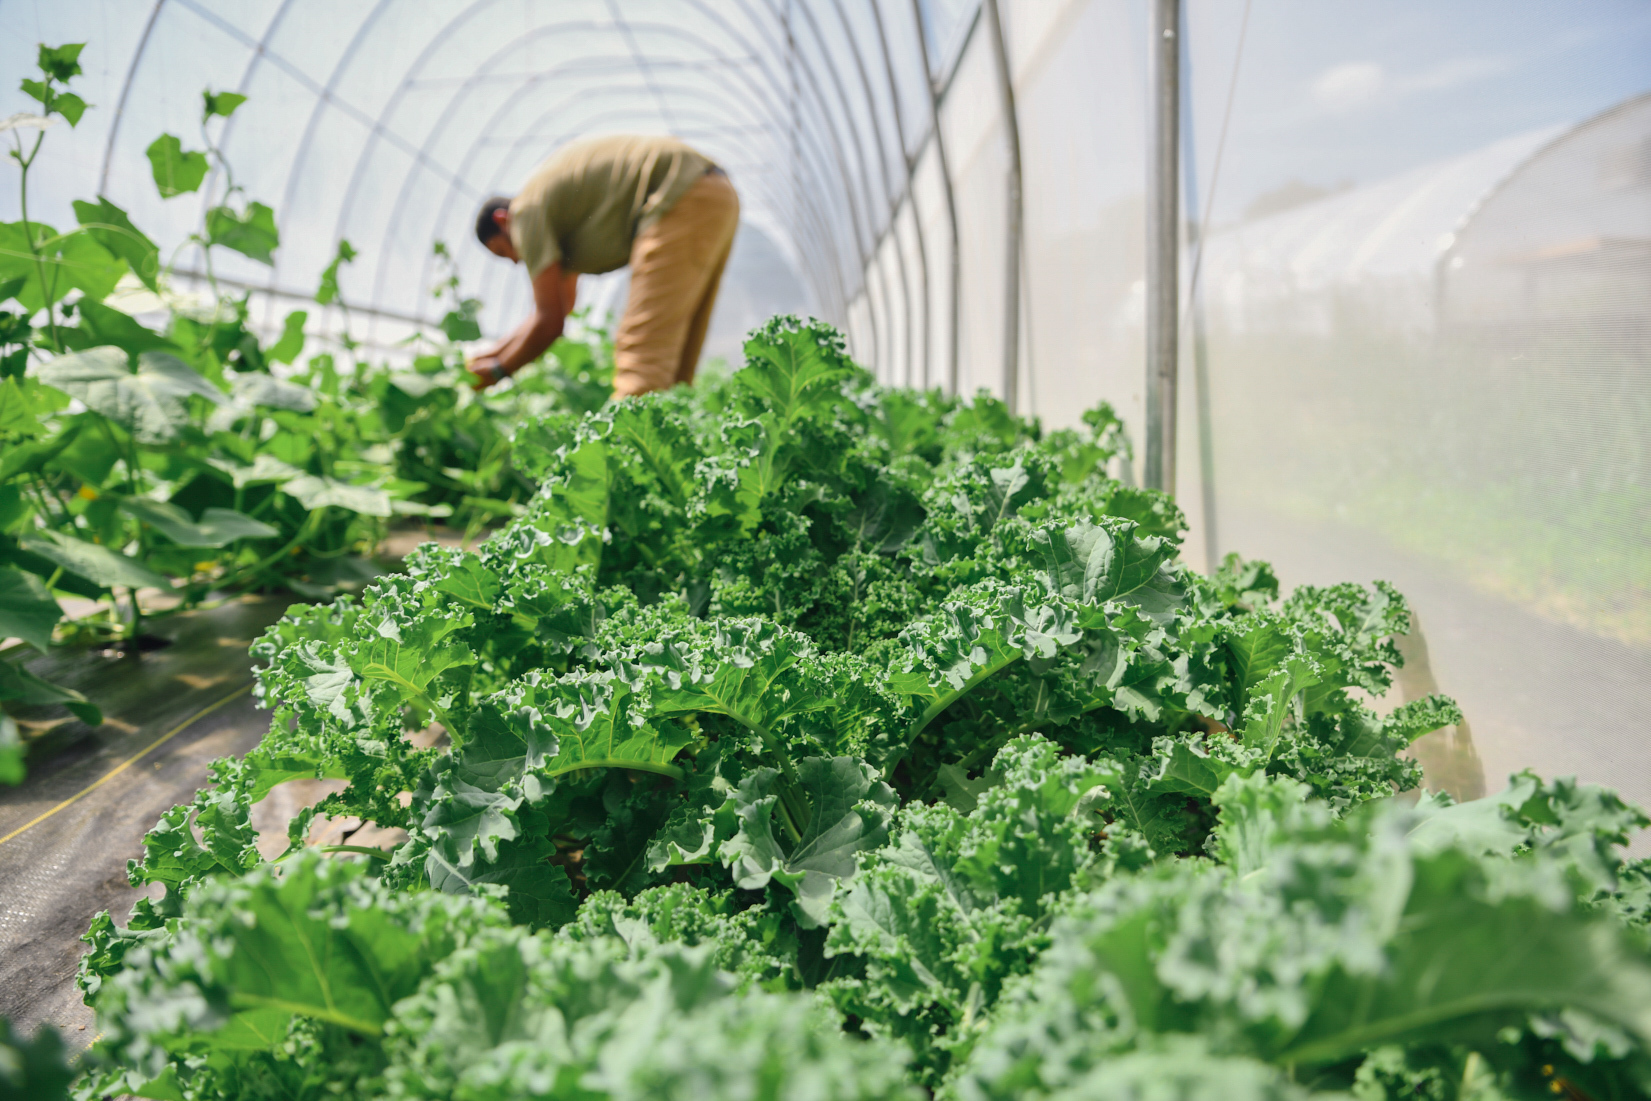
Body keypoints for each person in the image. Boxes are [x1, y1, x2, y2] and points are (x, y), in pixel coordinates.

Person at [467, 134, 740, 398]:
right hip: (714, 193)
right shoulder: (551, 207)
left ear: (503, 220)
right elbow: (562, 306)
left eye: (505, 251)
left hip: (679, 194)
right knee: (677, 370)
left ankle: (626, 441)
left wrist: (499, 370)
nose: (516, 261)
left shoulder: (524, 213)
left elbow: (549, 322)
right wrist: (491, 354)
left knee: (642, 365)